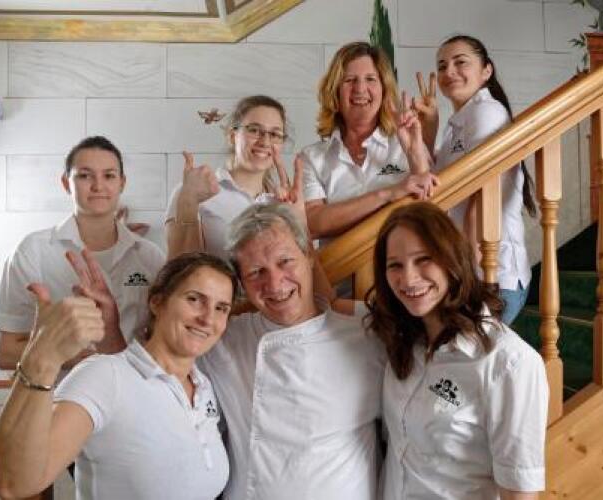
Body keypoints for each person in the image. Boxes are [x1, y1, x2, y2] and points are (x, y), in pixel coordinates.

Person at [0, 252, 236, 500]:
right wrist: (41, 358)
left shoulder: (204, 386)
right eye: (194, 299)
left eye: (221, 308)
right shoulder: (103, 376)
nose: (208, 319)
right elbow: (16, 484)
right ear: (157, 302)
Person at [198, 202, 386, 500]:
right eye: (256, 272)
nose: (275, 283)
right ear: (242, 284)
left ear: (309, 256)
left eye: (285, 261)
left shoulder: (365, 337)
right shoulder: (224, 340)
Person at [365, 202, 548, 499]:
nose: (408, 279)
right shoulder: (402, 335)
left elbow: (519, 494)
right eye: (395, 265)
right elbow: (326, 309)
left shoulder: (510, 363)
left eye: (423, 259)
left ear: (452, 259)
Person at [0, 136, 165, 369]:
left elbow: (160, 339)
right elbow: (6, 354)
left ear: (122, 183)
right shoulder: (33, 251)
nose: (98, 186)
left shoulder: (150, 256)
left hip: (133, 387)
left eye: (109, 176)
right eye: (85, 176)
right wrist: (76, 358)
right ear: (66, 183)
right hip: (59, 390)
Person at [414, 35, 537, 324]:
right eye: (442, 66)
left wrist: (469, 284)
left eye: (460, 62)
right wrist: (428, 131)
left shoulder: (487, 111)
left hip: (490, 275)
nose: (449, 72)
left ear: (486, 71)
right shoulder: (459, 123)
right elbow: (431, 190)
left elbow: (479, 203)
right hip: (468, 270)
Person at [302, 41, 438, 243]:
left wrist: (414, 154)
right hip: (341, 265)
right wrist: (388, 194)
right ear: (335, 91)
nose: (360, 89)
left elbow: (431, 211)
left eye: (370, 79)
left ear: (384, 90)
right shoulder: (312, 157)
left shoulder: (408, 142)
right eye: (349, 80)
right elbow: (313, 223)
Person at [165, 95, 292, 260]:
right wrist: (188, 201)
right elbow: (177, 269)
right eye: (254, 130)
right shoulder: (193, 191)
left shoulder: (284, 202)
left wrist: (295, 217)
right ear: (232, 136)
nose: (265, 142)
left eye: (275, 134)